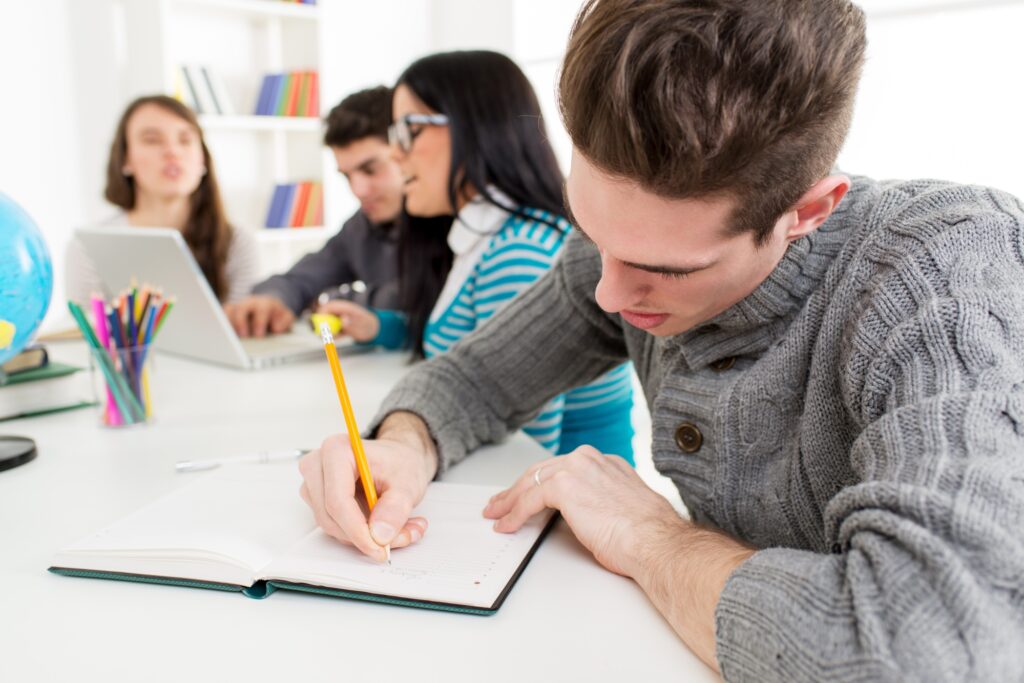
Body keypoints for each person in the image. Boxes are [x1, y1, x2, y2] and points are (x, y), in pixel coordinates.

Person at [298, 1, 1024, 680]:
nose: (608, 292)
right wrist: (401, 441)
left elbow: (931, 647)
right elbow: (472, 379)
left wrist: (654, 538)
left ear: (807, 211)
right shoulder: (615, 257)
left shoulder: (948, 270)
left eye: (663, 268)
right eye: (592, 230)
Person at [318, 51, 635, 461]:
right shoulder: (482, 235)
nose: (396, 153)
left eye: (407, 131)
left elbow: (520, 448)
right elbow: (471, 341)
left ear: (475, 125)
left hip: (565, 514)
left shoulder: (519, 253)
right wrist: (381, 327)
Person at [224, 86, 405, 338]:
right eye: (346, 176)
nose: (358, 190)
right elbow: (301, 278)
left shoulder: (459, 227)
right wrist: (272, 299)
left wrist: (354, 300)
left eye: (371, 170)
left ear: (407, 150)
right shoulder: (361, 227)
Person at [66, 95, 258, 305]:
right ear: (125, 159)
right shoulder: (88, 248)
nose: (173, 151)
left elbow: (245, 329)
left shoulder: (237, 242)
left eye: (185, 140)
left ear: (202, 159)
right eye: (152, 140)